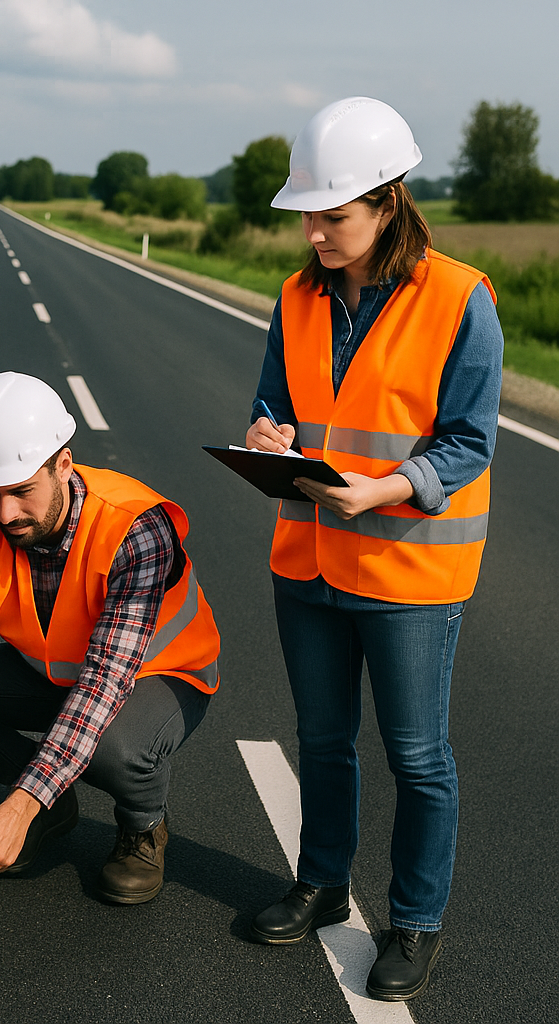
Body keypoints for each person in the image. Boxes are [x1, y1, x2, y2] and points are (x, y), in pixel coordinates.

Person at [243, 97, 503, 1001]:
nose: (314, 232)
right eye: (307, 214)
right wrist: (268, 434)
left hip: (410, 571)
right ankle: (319, 885)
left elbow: (469, 442)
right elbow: (274, 400)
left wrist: (388, 488)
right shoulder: (295, 295)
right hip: (309, 557)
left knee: (417, 755)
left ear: (389, 202)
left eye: (333, 216)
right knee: (323, 740)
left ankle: (416, 923)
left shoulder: (461, 298)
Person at [0, 372, 221, 905]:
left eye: (22, 491)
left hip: (159, 675)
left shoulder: (135, 528)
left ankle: (143, 827)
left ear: (63, 465)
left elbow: (103, 685)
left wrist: (19, 806)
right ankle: (56, 801)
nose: (5, 514)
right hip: (54, 671)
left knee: (113, 748)